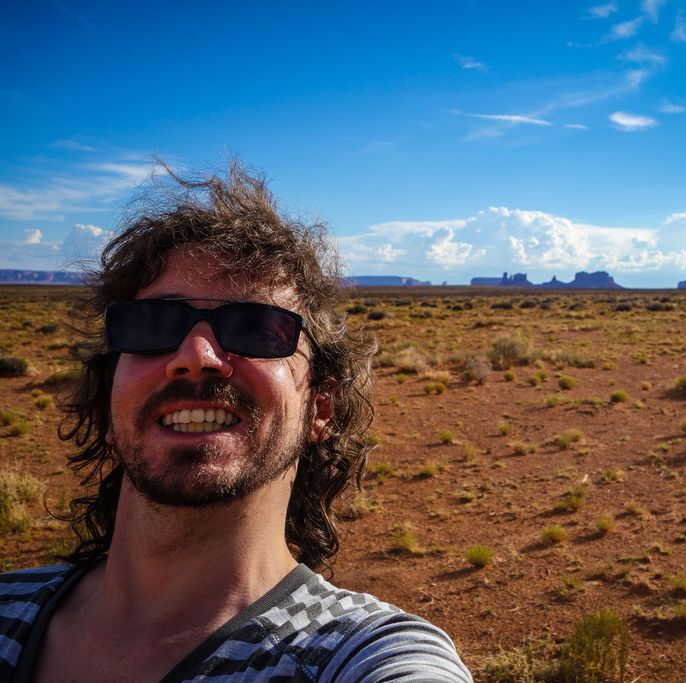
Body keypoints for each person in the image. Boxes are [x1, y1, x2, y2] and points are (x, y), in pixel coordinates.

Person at [0, 163, 473, 682]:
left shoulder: (357, 655)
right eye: (154, 324)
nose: (196, 355)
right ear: (109, 408)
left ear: (321, 408)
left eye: (256, 327)